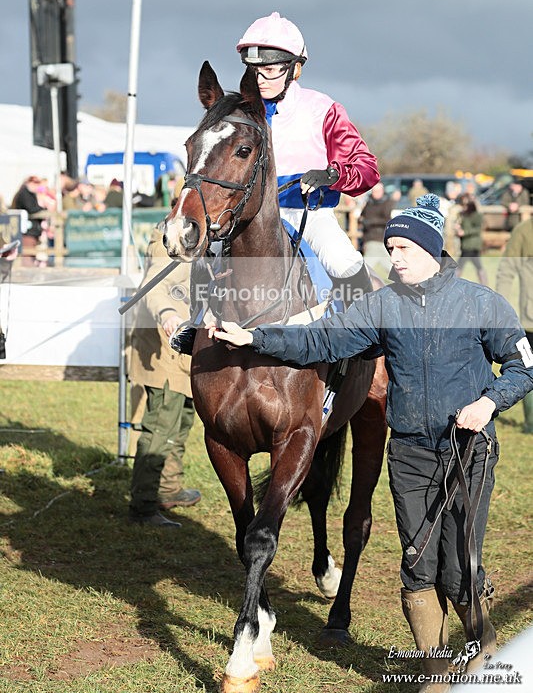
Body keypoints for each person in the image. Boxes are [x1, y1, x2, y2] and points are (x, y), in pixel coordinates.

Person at [207, 194, 533, 692]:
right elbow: (320, 340)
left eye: (402, 248)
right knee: (417, 567)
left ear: (429, 249)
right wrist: (256, 340)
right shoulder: (381, 305)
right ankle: (436, 676)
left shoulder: (480, 303)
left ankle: (485, 660)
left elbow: (523, 365)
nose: (392, 258)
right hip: (408, 454)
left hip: (469, 452)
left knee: (457, 569)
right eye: (390, 247)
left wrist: (489, 403)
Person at [172, 12, 381, 355]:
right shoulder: (236, 112)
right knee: (207, 253)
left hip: (308, 215)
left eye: (271, 69)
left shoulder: (322, 109)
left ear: (294, 68)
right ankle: (197, 321)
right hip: (247, 215)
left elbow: (367, 168)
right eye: (254, 70)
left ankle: (363, 345)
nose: (261, 78)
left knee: (345, 263)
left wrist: (332, 174)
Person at [128, 218, 201, 527]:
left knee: (181, 420)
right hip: (165, 351)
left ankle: (168, 489)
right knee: (160, 427)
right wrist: (168, 313)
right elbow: (154, 287)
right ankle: (143, 507)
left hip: (185, 350)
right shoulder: (170, 242)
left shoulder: (199, 239)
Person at [495, 214, 533, 433]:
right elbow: (507, 270)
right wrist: (501, 308)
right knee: (529, 365)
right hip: (529, 317)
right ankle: (531, 423)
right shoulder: (524, 230)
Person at [359, 181, 393, 275]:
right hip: (369, 237)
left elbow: (387, 220)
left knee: (366, 269)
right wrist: (362, 221)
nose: (375, 193)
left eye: (377, 191)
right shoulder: (369, 202)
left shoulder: (387, 203)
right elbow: (362, 216)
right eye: (374, 191)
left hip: (380, 238)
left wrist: (371, 222)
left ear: (382, 191)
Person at [11, 176, 46, 266]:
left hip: (31, 229)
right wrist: (42, 209)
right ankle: (27, 274)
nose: (36, 186)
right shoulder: (24, 193)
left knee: (30, 253)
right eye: (35, 183)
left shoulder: (29, 194)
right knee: (27, 254)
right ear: (28, 183)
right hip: (27, 230)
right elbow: (31, 208)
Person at [455, 193, 488, 286]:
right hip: (466, 244)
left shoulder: (476, 215)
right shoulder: (463, 215)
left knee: (460, 266)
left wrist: (464, 232)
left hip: (472, 244)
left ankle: (452, 284)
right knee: (477, 266)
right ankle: (484, 285)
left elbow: (477, 229)